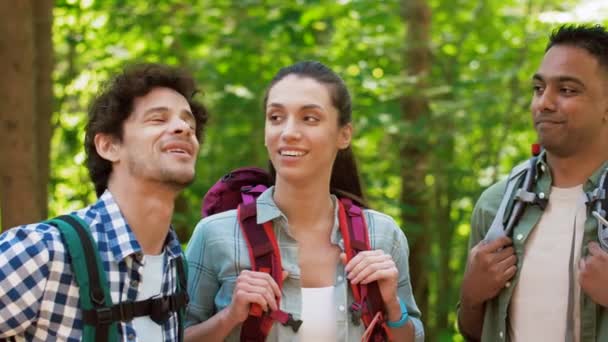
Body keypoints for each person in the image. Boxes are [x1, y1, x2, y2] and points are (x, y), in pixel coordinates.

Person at [184, 61, 424, 341]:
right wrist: (230, 316)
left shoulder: (383, 235)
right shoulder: (215, 235)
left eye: (309, 118)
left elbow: (413, 336)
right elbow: (174, 335)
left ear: (344, 134)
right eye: (275, 117)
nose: (288, 132)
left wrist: (392, 306)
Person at [0, 63, 208, 341]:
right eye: (158, 119)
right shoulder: (42, 252)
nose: (183, 128)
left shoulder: (176, 266)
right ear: (109, 146)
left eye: (189, 123)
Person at [458, 24, 608, 342]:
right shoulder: (497, 205)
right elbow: (471, 331)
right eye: (539, 89)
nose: (544, 103)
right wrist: (472, 296)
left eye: (567, 90)